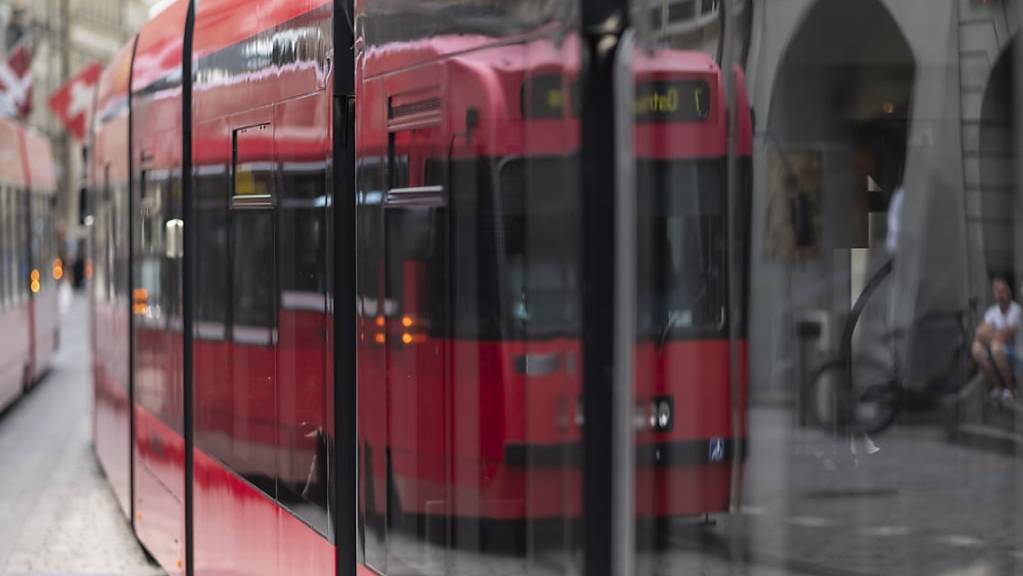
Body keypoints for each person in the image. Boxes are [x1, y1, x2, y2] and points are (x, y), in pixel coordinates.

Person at [971, 276, 1022, 404]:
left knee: (996, 347)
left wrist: (991, 334)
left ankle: (1011, 390)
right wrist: (994, 334)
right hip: (998, 348)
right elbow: (979, 332)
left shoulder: (1016, 310)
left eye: (1003, 291)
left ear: (1009, 292)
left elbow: (1007, 334)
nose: (1000, 295)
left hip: (1016, 351)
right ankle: (998, 387)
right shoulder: (992, 312)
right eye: (997, 291)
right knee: (976, 348)